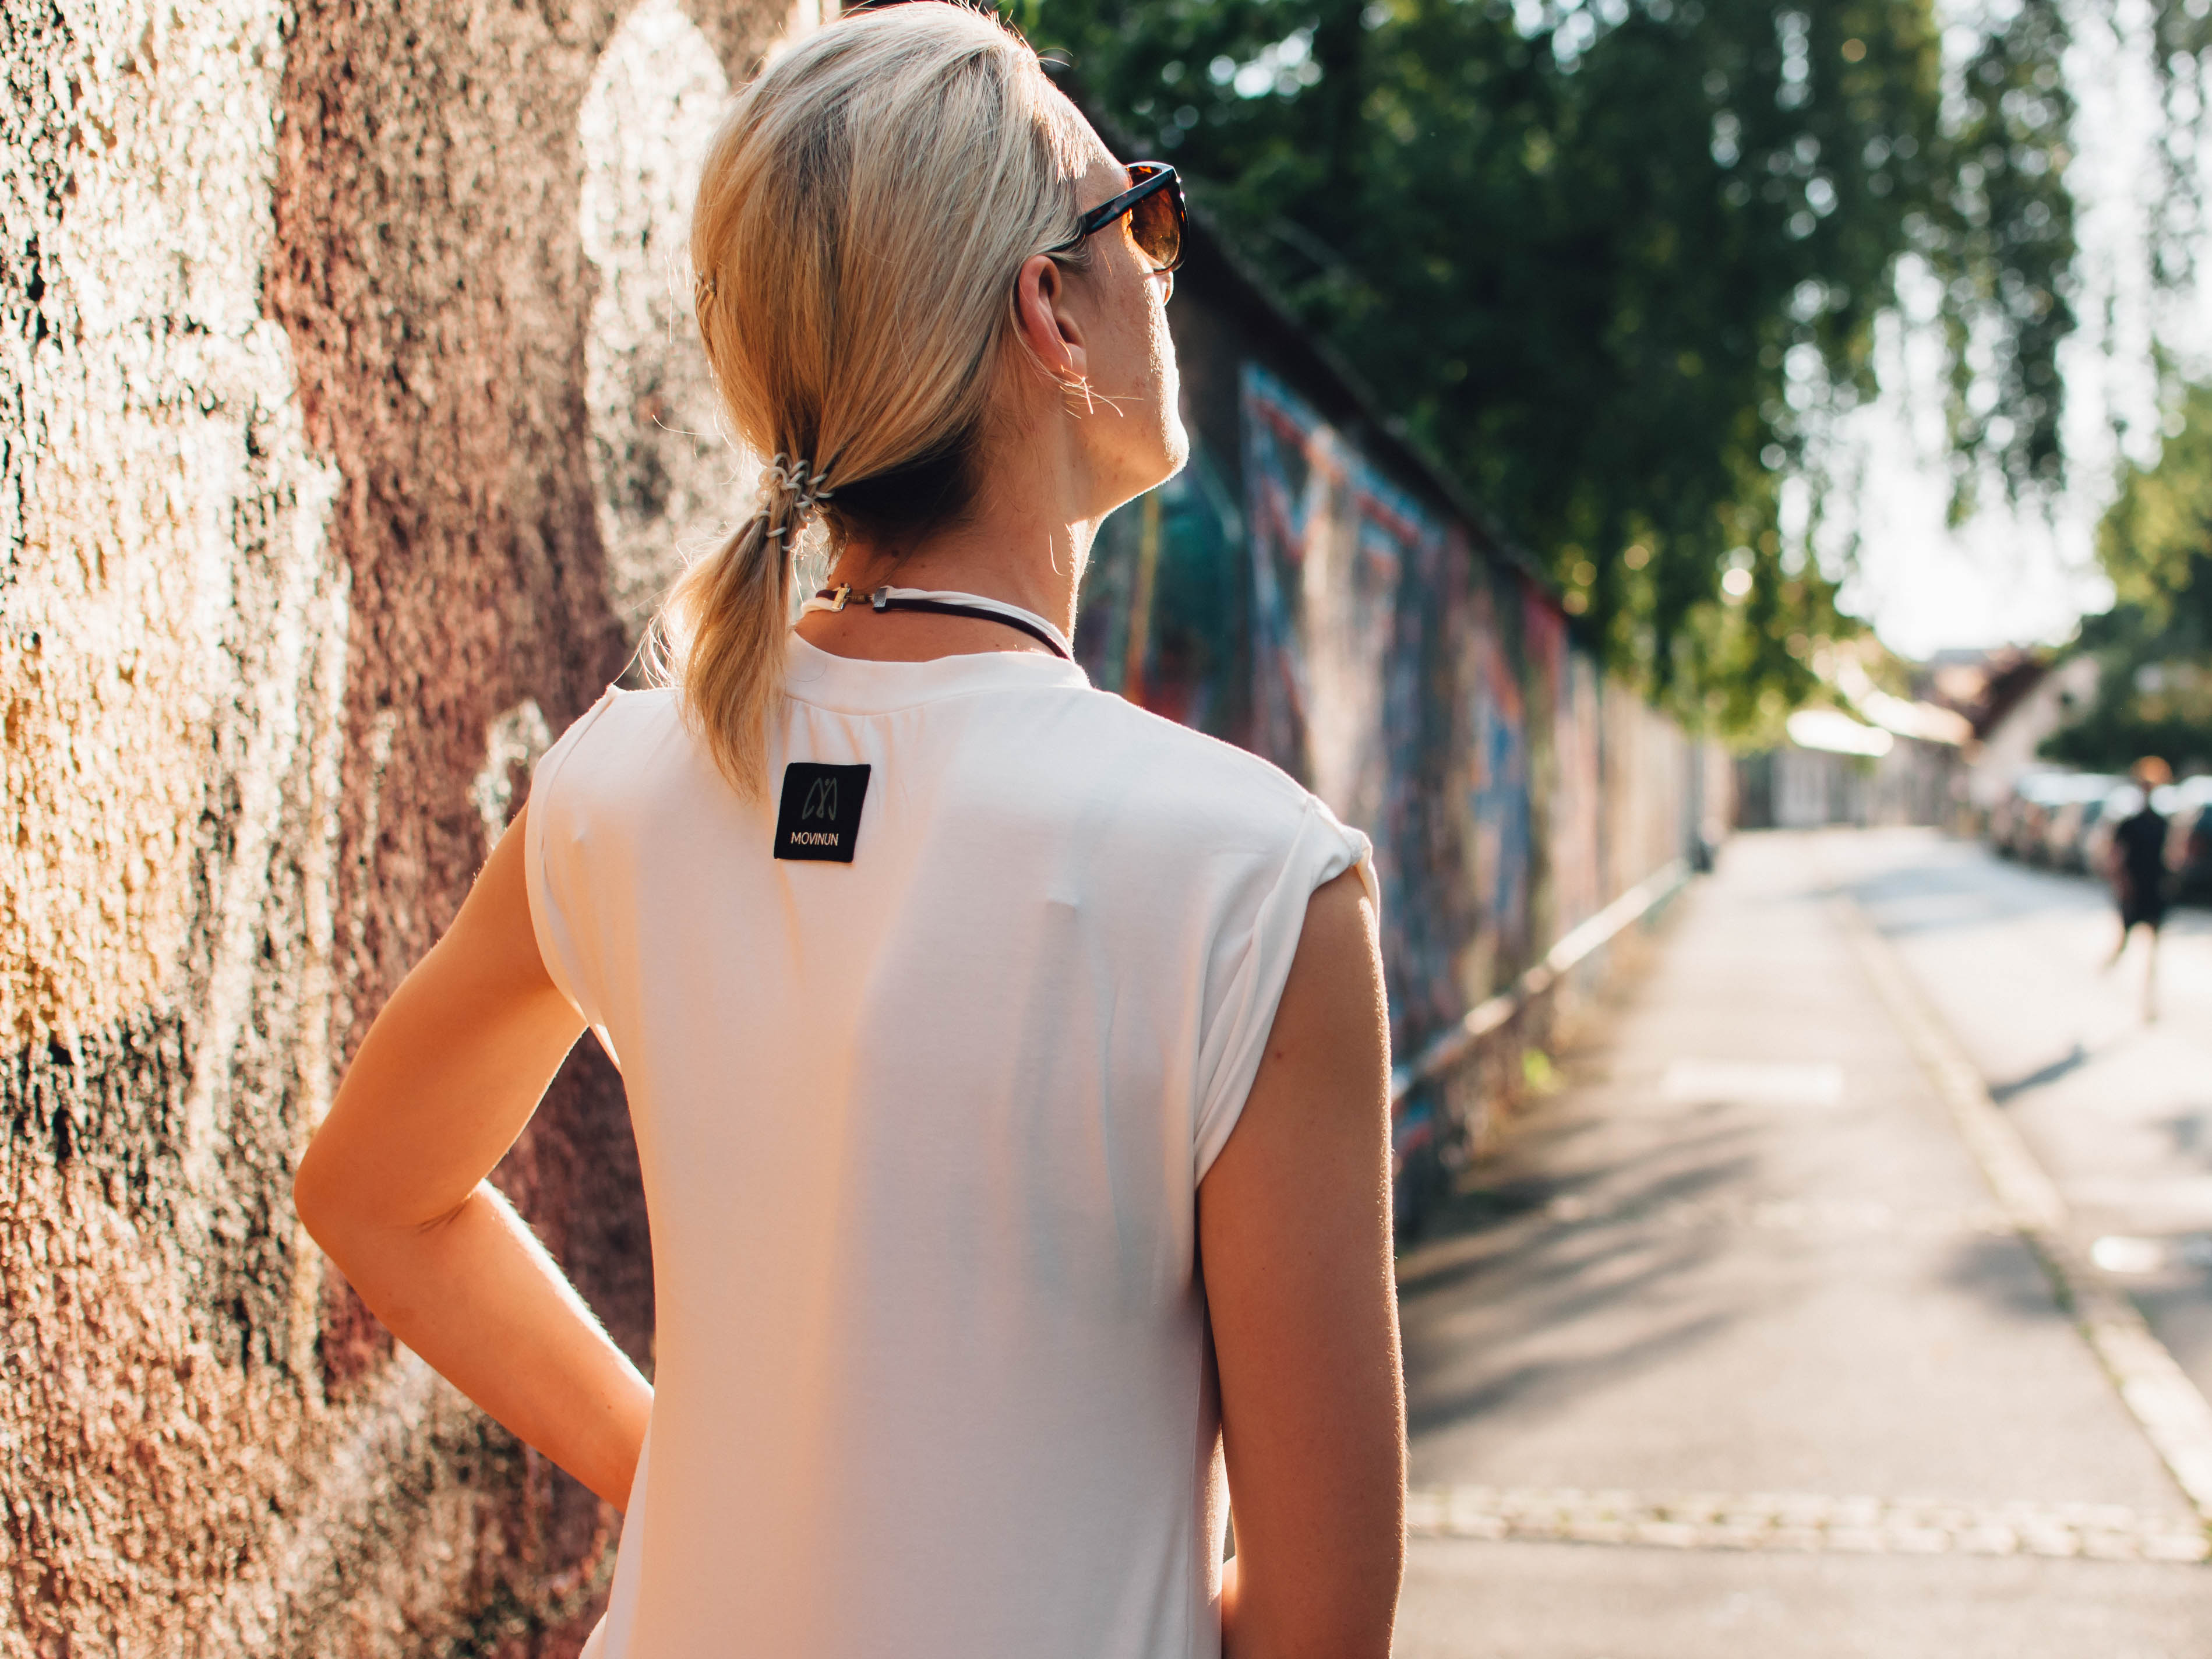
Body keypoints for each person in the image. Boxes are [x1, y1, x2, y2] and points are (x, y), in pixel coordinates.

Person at [291, 6, 1407, 1657]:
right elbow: (1318, 1624)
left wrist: (672, 1474)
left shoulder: (613, 786)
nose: (1160, 262)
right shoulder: (1251, 877)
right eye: (1139, 216)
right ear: (1049, 309)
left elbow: (373, 1192)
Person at [2107, 756, 2173, 1021]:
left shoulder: (2163, 822)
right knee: (2124, 942)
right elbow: (2115, 857)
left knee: (2154, 950)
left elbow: (2170, 854)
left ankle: (2149, 1001)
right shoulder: (2129, 823)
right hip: (2134, 888)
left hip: (2155, 887)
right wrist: (2122, 884)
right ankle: (2108, 969)